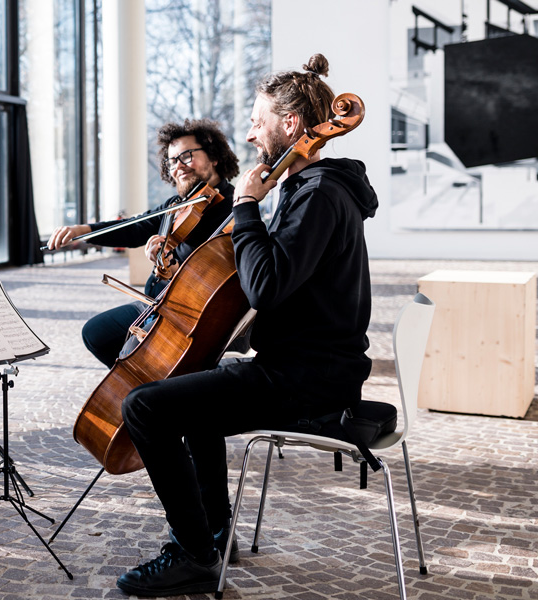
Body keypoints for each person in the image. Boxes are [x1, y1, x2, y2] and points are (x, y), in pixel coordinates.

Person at [114, 53, 379, 597]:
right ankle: (213, 533)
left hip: (307, 379)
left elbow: (267, 286)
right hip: (305, 366)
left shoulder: (318, 194)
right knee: (192, 388)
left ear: (291, 124)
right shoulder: (313, 189)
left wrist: (247, 206)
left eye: (259, 122)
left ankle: (194, 556)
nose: (252, 134)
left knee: (145, 407)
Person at [45, 120, 240, 367]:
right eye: (172, 161)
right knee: (96, 333)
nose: (178, 166)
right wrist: (82, 230)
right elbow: (134, 228)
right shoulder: (177, 205)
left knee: (134, 354)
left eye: (186, 156)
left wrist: (174, 270)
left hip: (187, 314)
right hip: (155, 305)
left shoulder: (234, 209)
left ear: (214, 157)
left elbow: (226, 279)